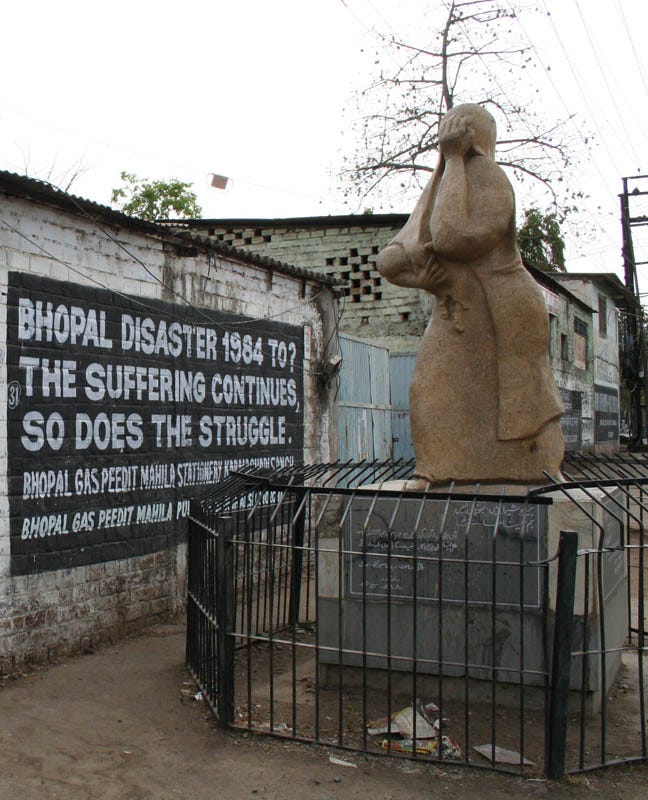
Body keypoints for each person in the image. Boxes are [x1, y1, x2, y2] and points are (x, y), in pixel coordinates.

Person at [377, 103, 564, 483]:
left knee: (518, 402)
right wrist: (425, 281)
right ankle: (437, 469)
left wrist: (455, 160)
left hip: (505, 306)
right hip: (456, 307)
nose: (448, 137)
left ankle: (536, 467)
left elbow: (449, 238)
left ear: (470, 137)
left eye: (455, 131)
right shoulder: (443, 181)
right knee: (431, 386)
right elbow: (390, 261)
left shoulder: (489, 178)